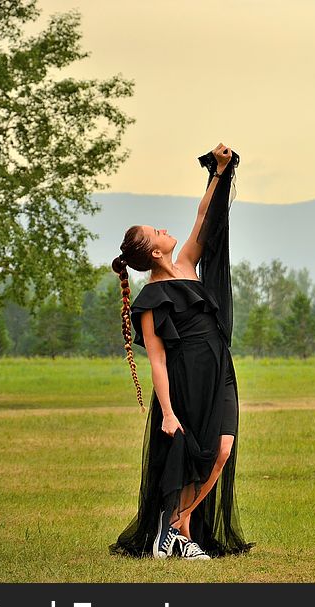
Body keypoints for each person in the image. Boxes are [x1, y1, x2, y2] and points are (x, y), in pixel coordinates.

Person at [109, 143, 252, 561]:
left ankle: (173, 528)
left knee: (223, 449)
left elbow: (203, 216)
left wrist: (218, 173)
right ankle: (178, 534)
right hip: (187, 378)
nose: (163, 229)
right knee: (195, 457)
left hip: (221, 368)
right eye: (156, 232)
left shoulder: (188, 263)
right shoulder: (151, 298)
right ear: (154, 252)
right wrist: (168, 412)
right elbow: (156, 359)